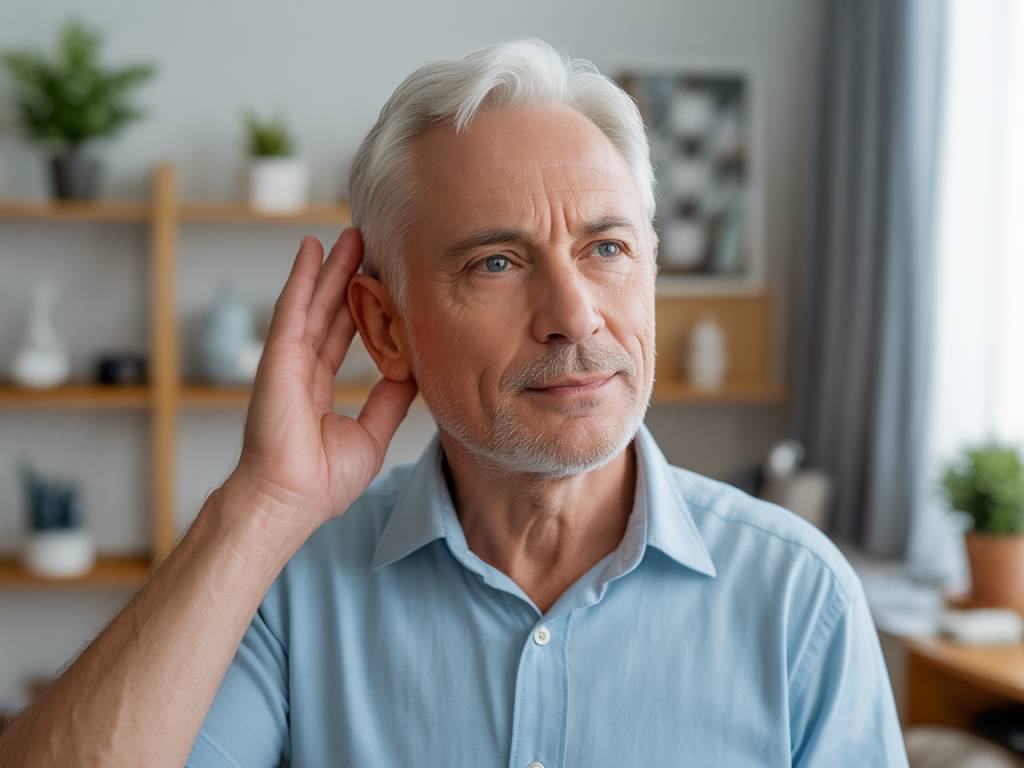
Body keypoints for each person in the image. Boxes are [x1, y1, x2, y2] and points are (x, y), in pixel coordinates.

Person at [0, 38, 908, 767]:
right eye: (498, 263)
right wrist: (259, 507)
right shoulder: (291, 588)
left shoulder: (799, 597)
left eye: (607, 249)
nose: (573, 317)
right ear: (386, 330)